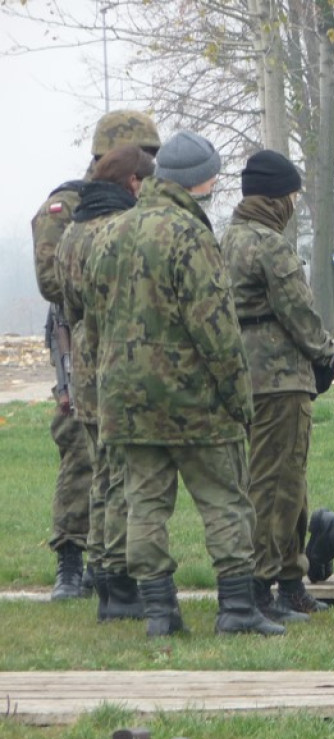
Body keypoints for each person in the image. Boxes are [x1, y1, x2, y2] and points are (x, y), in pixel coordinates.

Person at [84, 130, 283, 638]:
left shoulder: (108, 233)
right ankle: (237, 609)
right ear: (204, 181)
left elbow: (92, 322)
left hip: (126, 403)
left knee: (144, 505)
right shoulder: (191, 236)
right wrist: (240, 399)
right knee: (224, 501)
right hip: (195, 404)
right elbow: (215, 327)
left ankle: (158, 613)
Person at [31, 110, 162, 601]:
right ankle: (71, 557)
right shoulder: (66, 205)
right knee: (78, 447)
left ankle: (115, 561)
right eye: (143, 154)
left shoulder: (144, 198)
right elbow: (52, 282)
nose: (149, 164)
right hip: (77, 335)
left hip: (130, 341)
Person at [221, 149, 334, 623]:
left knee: (281, 482)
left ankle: (291, 581)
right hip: (281, 381)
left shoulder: (224, 241)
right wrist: (325, 356)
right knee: (276, 488)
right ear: (275, 198)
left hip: (241, 379)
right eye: (290, 195)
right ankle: (261, 588)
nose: (293, 205)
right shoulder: (270, 245)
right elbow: (298, 311)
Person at [55, 145, 156, 622]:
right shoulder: (116, 232)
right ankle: (118, 582)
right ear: (133, 183)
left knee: (101, 475)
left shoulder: (71, 233)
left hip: (84, 362)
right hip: (116, 362)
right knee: (119, 478)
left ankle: (101, 573)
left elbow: (66, 306)